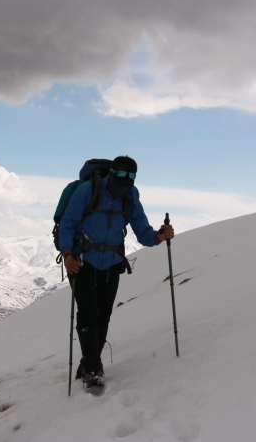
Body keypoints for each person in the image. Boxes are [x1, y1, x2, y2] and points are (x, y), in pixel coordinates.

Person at [58, 156, 174, 387]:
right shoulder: (87, 190)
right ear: (112, 173)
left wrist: (159, 236)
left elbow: (143, 232)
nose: (125, 180)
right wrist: (68, 255)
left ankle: (90, 362)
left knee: (103, 315)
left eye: (131, 176)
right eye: (121, 174)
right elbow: (67, 224)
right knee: (89, 312)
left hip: (111, 263)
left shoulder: (130, 197)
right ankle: (92, 369)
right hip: (81, 261)